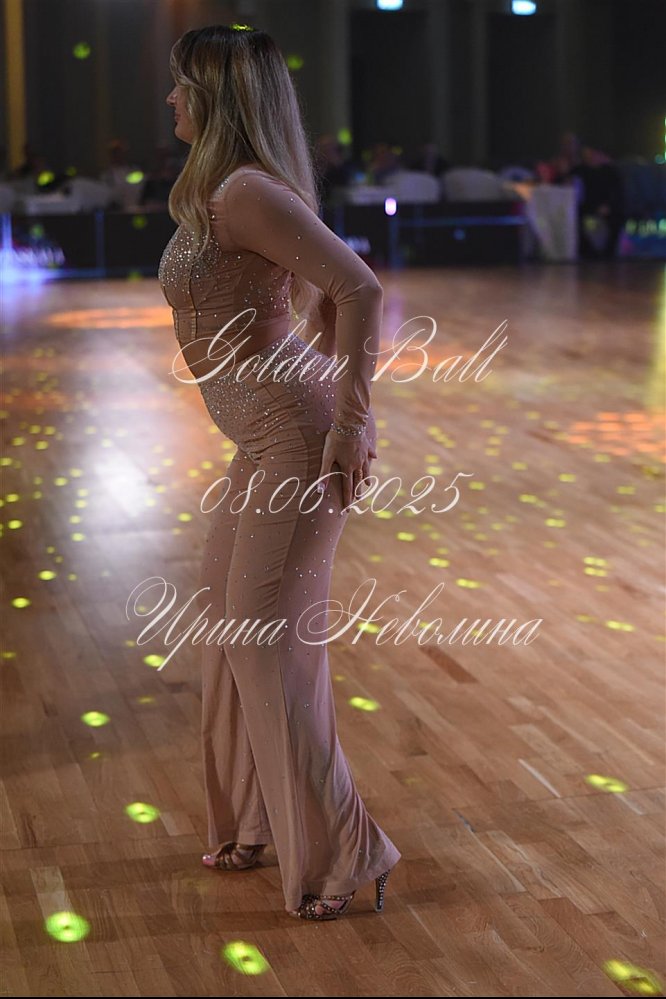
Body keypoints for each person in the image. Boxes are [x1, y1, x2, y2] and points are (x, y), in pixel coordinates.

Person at [159, 24, 401, 921]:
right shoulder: (223, 189)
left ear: (216, 98)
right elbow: (301, 297)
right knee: (230, 625)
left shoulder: (246, 192)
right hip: (263, 434)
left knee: (265, 643)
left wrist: (352, 420)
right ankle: (256, 821)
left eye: (182, 86)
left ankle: (347, 850)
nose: (170, 99)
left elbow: (358, 287)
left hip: (296, 436)